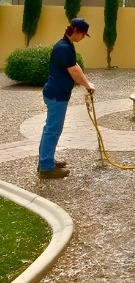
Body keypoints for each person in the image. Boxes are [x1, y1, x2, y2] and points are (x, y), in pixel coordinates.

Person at [38, 18, 96, 179]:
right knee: (53, 130)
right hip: (57, 95)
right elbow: (74, 71)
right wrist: (88, 85)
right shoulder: (63, 47)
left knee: (50, 129)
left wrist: (87, 82)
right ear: (76, 31)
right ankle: (46, 167)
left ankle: (46, 160)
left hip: (56, 92)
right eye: (83, 34)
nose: (84, 37)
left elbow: (75, 65)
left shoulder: (66, 44)